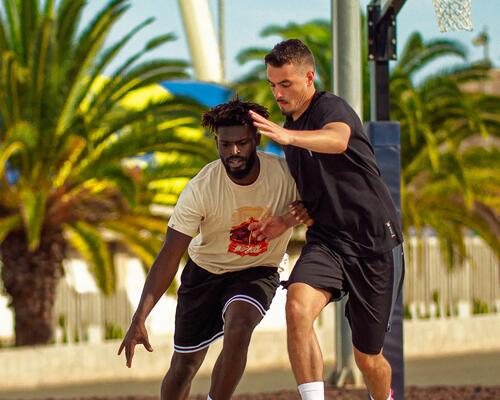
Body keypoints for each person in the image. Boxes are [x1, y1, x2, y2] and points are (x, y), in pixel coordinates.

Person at [118, 99, 309, 400]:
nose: (233, 152)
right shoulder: (202, 188)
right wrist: (139, 317)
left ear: (256, 139)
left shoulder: (284, 175)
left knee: (240, 325)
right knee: (185, 364)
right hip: (205, 273)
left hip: (258, 270)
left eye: (242, 143)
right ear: (216, 143)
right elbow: (170, 254)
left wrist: (296, 215)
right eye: (225, 145)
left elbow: (321, 204)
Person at [249, 39, 404, 400]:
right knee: (297, 307)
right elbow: (312, 196)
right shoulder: (290, 127)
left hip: (374, 244)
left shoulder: (330, 108)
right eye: (273, 84)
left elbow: (337, 140)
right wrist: (285, 220)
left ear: (309, 76)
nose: (278, 93)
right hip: (328, 242)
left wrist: (289, 136)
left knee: (367, 358)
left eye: (285, 84)